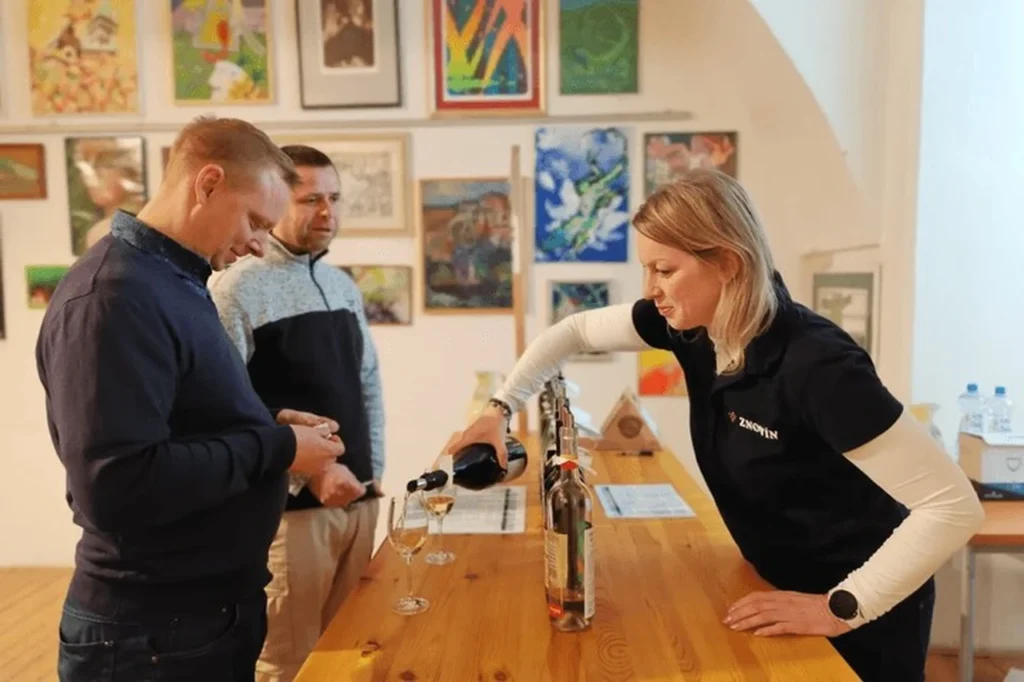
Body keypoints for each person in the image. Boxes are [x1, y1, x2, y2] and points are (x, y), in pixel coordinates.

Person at [447, 169, 986, 682]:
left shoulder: (819, 367)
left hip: (859, 609)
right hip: (772, 588)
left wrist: (840, 607)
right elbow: (574, 332)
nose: (650, 289)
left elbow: (952, 506)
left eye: (665, 270)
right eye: (647, 270)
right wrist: (498, 410)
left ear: (728, 263)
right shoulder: (694, 328)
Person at [36, 117, 347, 682]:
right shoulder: (113, 297)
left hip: (197, 618)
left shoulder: (172, 280)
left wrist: (268, 421)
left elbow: (180, 413)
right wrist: (277, 447)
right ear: (207, 184)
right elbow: (116, 484)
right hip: (152, 633)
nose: (259, 244)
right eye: (255, 221)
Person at [209, 144, 385, 682]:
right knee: (288, 662)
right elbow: (222, 403)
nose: (327, 212)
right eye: (311, 200)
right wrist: (312, 473)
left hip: (358, 498)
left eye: (334, 198)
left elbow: (368, 384)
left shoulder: (341, 286)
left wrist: (372, 473)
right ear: (275, 200)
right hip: (289, 512)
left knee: (350, 654)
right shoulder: (237, 287)